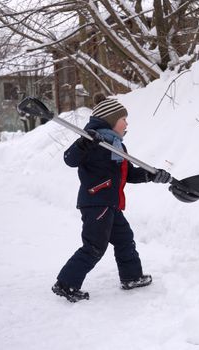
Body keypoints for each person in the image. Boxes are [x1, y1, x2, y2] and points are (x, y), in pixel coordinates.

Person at [52, 94, 171, 302]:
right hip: (96, 203)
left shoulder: (116, 146)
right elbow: (69, 160)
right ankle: (66, 283)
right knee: (94, 247)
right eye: (123, 119)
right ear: (110, 120)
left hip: (112, 205)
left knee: (125, 239)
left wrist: (150, 175)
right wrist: (83, 143)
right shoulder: (91, 140)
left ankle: (131, 277)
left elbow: (129, 174)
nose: (127, 123)